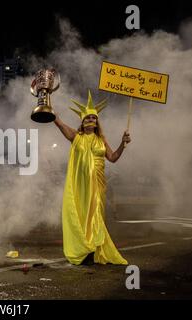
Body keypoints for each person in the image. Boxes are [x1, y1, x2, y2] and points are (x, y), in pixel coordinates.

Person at [53, 91, 131, 265]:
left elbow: (113, 158)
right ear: (82, 121)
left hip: (98, 183)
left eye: (93, 118)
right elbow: (59, 123)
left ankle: (93, 249)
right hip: (81, 185)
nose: (91, 120)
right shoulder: (76, 136)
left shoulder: (101, 140)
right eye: (87, 118)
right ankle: (85, 249)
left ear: (97, 122)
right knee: (82, 214)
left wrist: (123, 143)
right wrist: (50, 109)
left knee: (95, 215)